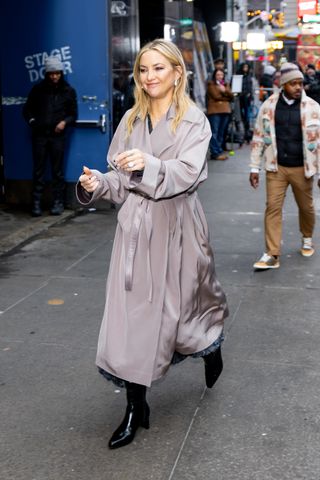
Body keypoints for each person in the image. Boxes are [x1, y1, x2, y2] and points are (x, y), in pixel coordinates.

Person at [77, 39, 228, 449]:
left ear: (177, 72)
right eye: (143, 70)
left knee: (186, 308)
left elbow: (189, 173)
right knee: (133, 319)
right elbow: (120, 183)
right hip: (135, 232)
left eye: (159, 68)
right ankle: (135, 406)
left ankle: (209, 344)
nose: (150, 77)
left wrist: (150, 163)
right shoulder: (130, 120)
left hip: (178, 225)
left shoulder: (193, 120)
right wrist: (96, 184)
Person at [250, 62, 320, 270]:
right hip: (276, 167)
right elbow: (258, 137)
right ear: (283, 85)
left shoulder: (313, 108)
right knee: (272, 208)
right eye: (294, 84)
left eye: (301, 83)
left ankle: (307, 237)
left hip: (302, 168)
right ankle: (272, 254)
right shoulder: (268, 106)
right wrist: (254, 168)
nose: (299, 87)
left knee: (306, 207)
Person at [23, 56, 78, 216]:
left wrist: (64, 122)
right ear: (46, 73)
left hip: (57, 137)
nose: (54, 76)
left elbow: (73, 114)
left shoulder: (68, 91)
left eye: (57, 73)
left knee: (57, 171)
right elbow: (26, 111)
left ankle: (58, 203)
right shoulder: (37, 90)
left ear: (61, 73)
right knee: (38, 171)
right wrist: (33, 122)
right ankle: (36, 204)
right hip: (39, 136)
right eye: (51, 73)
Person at [206, 68, 233, 160]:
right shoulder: (211, 84)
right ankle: (215, 152)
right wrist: (225, 94)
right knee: (214, 132)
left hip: (225, 110)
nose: (220, 76)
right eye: (218, 75)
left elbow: (231, 97)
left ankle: (219, 151)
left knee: (221, 132)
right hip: (214, 111)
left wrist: (224, 91)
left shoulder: (225, 84)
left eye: (221, 75)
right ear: (214, 75)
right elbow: (215, 96)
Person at [237, 62, 253, 143]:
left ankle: (247, 133)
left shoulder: (249, 76)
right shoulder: (239, 76)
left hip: (247, 98)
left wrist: (250, 95)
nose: (245, 68)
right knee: (240, 115)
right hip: (240, 98)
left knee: (247, 116)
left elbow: (250, 87)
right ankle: (242, 133)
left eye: (247, 67)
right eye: (244, 67)